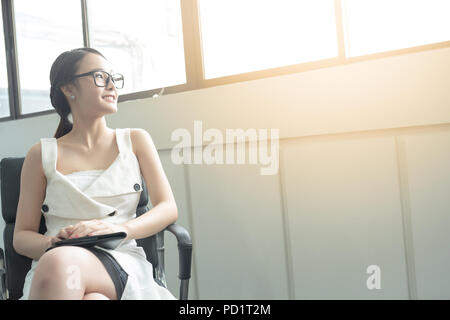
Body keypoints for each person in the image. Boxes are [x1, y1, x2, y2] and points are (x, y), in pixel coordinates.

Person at [13, 47, 178, 300]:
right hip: (57, 265)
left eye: (113, 77)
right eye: (100, 76)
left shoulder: (135, 140)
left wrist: (119, 230)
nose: (112, 84)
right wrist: (53, 243)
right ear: (68, 89)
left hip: (120, 261)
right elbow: (21, 237)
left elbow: (168, 208)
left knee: (61, 265)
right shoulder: (40, 154)